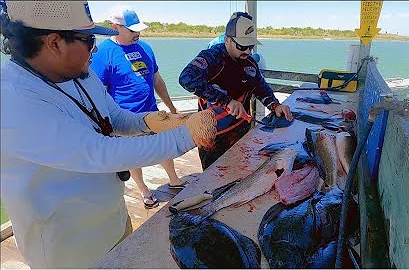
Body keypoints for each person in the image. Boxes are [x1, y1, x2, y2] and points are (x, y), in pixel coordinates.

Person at [0, 1, 215, 268]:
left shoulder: (80, 74)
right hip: (68, 249)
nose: (95, 49)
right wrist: (186, 136)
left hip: (113, 219)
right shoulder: (12, 98)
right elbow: (99, 152)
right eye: (88, 40)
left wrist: (157, 121)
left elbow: (115, 118)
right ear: (54, 42)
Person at [91, 5, 185, 210]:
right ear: (115, 27)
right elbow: (98, 91)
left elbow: (157, 79)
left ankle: (174, 179)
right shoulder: (103, 54)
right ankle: (144, 190)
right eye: (132, 30)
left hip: (152, 111)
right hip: (125, 119)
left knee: (164, 145)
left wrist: (171, 107)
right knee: (133, 156)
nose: (138, 33)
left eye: (138, 29)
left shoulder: (145, 48)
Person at [179, 12, 293, 170]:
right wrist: (226, 101)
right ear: (227, 40)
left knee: (242, 173)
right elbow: (186, 78)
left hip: (241, 131)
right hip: (212, 135)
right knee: (213, 180)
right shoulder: (213, 57)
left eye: (250, 46)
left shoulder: (249, 63)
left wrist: (275, 105)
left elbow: (260, 87)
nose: (247, 51)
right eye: (241, 46)